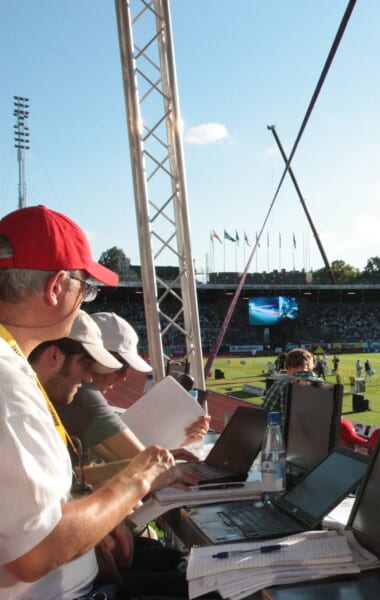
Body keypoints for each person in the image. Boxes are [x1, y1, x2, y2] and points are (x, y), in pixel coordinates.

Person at [0, 205, 185, 597]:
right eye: (85, 288)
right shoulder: (6, 381)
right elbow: (35, 551)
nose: (85, 299)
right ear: (55, 288)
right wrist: (138, 479)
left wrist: (95, 520)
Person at [29, 310, 198, 596]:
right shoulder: (40, 406)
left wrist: (147, 471)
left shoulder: (40, 401)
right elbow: (32, 553)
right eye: (88, 362)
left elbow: (71, 480)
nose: (88, 376)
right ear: (54, 356)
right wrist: (97, 525)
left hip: (84, 569)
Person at [55, 311, 210, 463]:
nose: (123, 377)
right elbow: (144, 463)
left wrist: (180, 440)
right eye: (120, 367)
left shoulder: (67, 392)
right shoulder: (84, 395)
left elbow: (120, 460)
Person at [261, 347, 319, 422]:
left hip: (287, 433)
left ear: (288, 366)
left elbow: (264, 414)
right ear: (311, 365)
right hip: (318, 432)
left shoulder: (281, 384)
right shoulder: (324, 385)